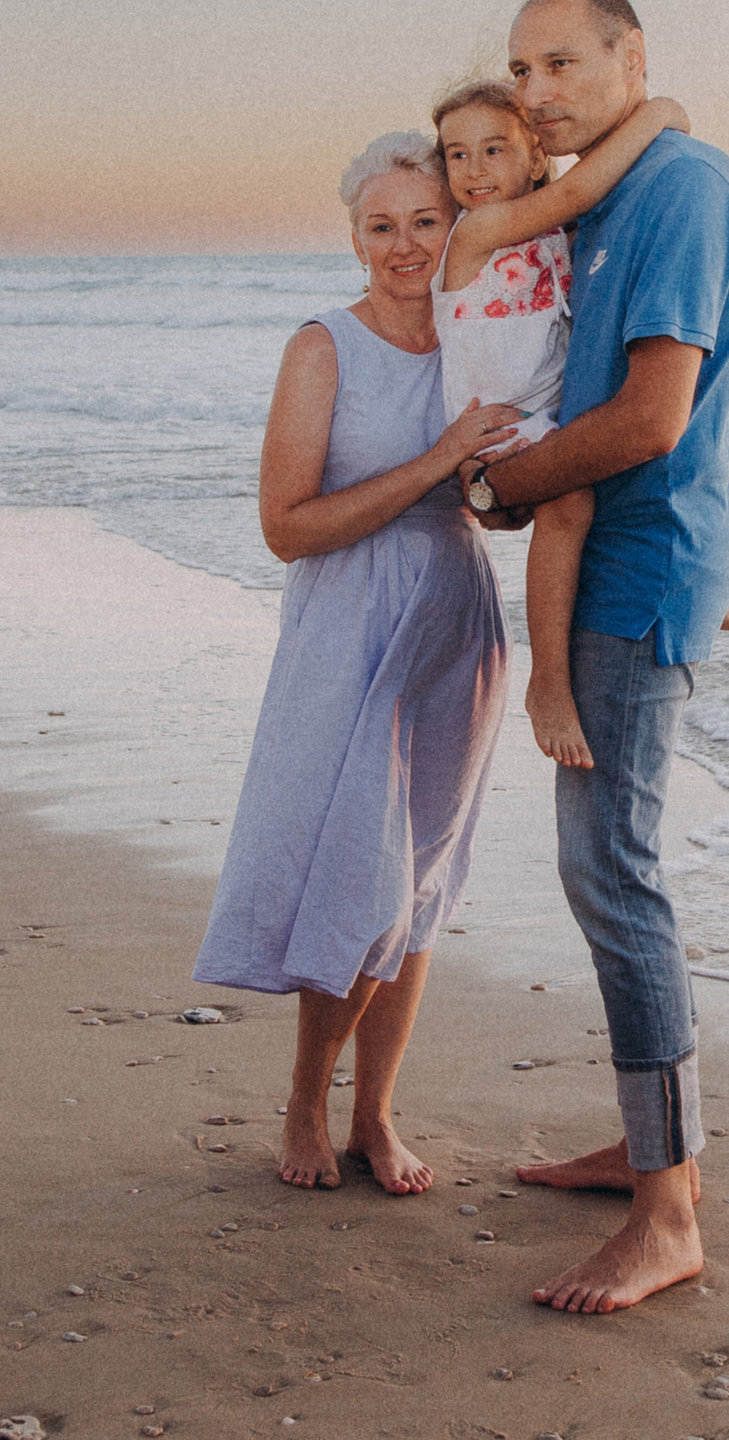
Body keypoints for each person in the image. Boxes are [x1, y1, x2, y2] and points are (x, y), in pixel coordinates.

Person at [461, 0, 729, 1312]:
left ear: (630, 55)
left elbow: (652, 417)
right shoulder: (611, 193)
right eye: (521, 68)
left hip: (634, 572)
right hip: (628, 558)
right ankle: (655, 1152)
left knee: (615, 875)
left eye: (564, 61)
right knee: (605, 872)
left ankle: (666, 1213)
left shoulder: (683, 190)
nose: (536, 91)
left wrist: (503, 490)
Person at [191, 132, 528, 1195]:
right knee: (352, 868)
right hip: (345, 625)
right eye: (380, 226)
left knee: (420, 882)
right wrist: (436, 459)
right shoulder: (322, 346)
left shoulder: (478, 339)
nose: (404, 245)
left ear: (453, 226)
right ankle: (303, 1104)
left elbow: (504, 505)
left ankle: (375, 1117)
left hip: (454, 627)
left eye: (424, 221)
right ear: (352, 236)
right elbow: (286, 527)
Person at [428, 78, 690, 769]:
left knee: (617, 470)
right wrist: (660, 114)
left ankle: (689, 580)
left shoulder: (553, 237)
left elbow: (586, 215)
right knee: (570, 500)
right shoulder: (476, 234)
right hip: (491, 430)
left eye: (493, 150)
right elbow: (581, 191)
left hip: (538, 417)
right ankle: (547, 680)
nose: (474, 171)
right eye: (457, 155)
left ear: (534, 157)